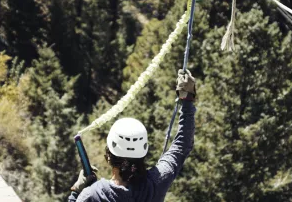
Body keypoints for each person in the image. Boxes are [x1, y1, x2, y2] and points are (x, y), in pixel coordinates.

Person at [68, 69, 196, 202]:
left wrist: (77, 192)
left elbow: (182, 146)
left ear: (109, 156)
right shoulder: (156, 183)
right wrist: (187, 99)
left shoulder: (92, 195)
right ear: (143, 152)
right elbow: (181, 146)